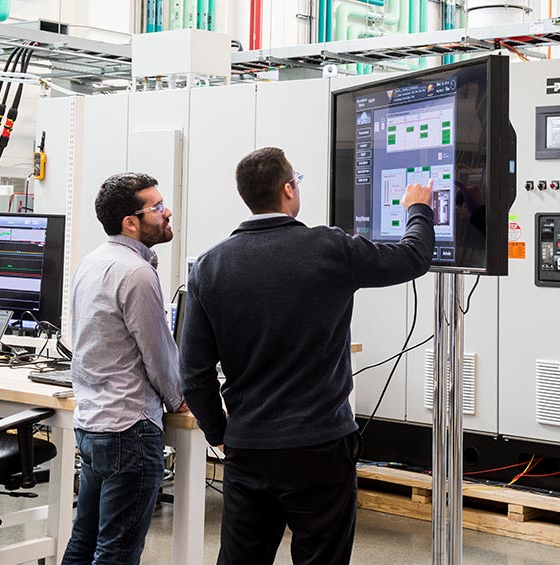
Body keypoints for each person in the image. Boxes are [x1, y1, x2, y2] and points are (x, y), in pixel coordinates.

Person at [179, 147, 435, 565]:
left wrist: (219, 432)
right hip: (319, 447)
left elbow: (193, 372)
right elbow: (412, 257)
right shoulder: (329, 248)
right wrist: (419, 207)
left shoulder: (209, 267)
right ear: (288, 189)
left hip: (247, 447)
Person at [62, 173, 185, 565]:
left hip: (93, 425)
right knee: (116, 552)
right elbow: (158, 354)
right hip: (130, 430)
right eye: (157, 207)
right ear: (130, 222)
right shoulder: (136, 273)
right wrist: (179, 400)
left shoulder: (91, 262)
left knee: (83, 543)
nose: (167, 213)